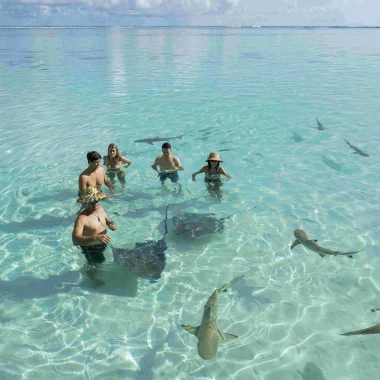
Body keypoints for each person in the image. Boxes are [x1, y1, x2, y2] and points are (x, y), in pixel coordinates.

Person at [73, 187, 117, 264]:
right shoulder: (82, 219)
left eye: (97, 200)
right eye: (93, 202)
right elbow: (75, 240)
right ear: (86, 202)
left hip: (103, 242)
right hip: (91, 248)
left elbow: (108, 220)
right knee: (97, 268)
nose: (96, 203)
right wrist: (95, 237)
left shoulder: (100, 208)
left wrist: (111, 224)